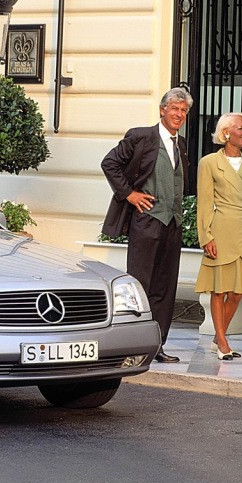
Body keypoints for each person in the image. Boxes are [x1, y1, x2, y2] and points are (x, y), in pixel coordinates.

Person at [101, 88, 192, 363]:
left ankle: (157, 345)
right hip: (147, 221)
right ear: (162, 110)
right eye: (174, 109)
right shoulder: (141, 136)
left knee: (165, 288)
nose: (179, 114)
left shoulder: (181, 144)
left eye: (184, 111)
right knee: (140, 284)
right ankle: (132, 345)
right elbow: (110, 163)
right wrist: (129, 193)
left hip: (172, 222)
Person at [194, 113, 242, 361]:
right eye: (240, 128)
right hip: (222, 229)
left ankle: (219, 334)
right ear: (226, 133)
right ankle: (223, 341)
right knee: (219, 289)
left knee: (237, 292)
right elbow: (204, 203)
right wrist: (206, 237)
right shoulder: (209, 163)